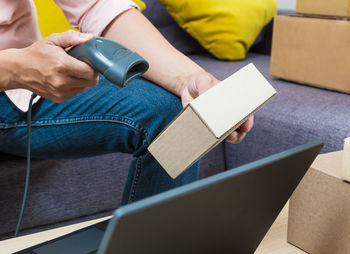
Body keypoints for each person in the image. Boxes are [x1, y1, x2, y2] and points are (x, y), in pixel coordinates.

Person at [0, 0, 254, 204]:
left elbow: (96, 6)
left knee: (176, 117)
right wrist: (13, 70)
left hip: (23, 82)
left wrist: (191, 78)